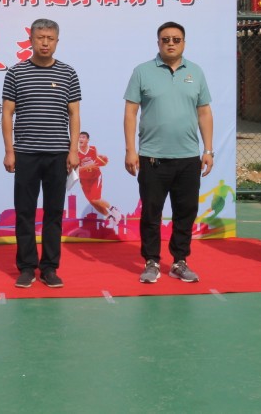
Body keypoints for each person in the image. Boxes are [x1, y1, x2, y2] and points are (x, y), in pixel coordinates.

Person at [124, 22, 213, 284]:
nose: (171, 43)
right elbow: (130, 112)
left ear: (184, 43)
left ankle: (179, 261)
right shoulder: (142, 72)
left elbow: (204, 112)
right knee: (151, 213)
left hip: (188, 158)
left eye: (176, 39)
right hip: (152, 157)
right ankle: (151, 261)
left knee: (185, 212)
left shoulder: (196, 72)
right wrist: (131, 150)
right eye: (165, 39)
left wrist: (208, 149)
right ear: (158, 43)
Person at [2, 18, 81, 289]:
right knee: (24, 212)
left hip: (58, 154)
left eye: (50, 38)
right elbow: (7, 113)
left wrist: (73, 150)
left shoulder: (68, 73)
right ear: (31, 40)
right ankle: (26, 267)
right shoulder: (16, 73)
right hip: (25, 153)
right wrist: (9, 151)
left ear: (57, 41)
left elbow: (74, 114)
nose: (45, 43)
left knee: (54, 212)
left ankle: (49, 268)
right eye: (40, 38)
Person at [76, 132, 120, 229]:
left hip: (95, 177)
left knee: (96, 198)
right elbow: (75, 170)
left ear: (87, 140)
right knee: (93, 202)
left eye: (83, 137)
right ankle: (110, 217)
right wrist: (87, 167)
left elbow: (97, 161)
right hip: (84, 180)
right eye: (79, 137)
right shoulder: (75, 152)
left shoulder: (93, 149)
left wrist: (103, 160)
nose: (80, 139)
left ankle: (114, 209)